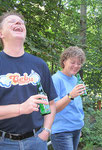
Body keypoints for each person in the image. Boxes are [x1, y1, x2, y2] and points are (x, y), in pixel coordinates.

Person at [0, 10, 57, 150]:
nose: (18, 23)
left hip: (36, 141)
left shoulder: (39, 64)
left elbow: (51, 103)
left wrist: (46, 131)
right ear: (1, 33)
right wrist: (20, 108)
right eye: (11, 21)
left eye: (21, 22)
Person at [51, 46, 86, 150]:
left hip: (76, 128)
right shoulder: (56, 79)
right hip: (62, 131)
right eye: (72, 62)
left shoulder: (76, 80)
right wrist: (70, 96)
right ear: (64, 61)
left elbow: (76, 107)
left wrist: (78, 127)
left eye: (79, 63)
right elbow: (53, 109)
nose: (76, 66)